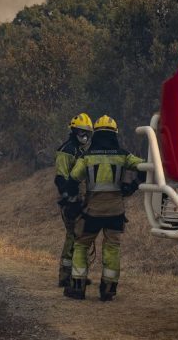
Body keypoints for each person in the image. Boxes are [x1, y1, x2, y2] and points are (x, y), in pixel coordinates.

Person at [63, 115, 143, 301]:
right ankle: (108, 290)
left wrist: (74, 202)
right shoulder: (124, 155)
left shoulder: (87, 157)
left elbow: (72, 179)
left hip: (92, 212)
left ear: (96, 134)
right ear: (115, 134)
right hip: (116, 212)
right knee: (112, 247)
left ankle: (77, 287)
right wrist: (132, 186)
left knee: (81, 245)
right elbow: (146, 166)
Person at [54, 113, 93, 287]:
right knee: (73, 236)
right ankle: (65, 276)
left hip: (81, 201)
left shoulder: (81, 150)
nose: (85, 136)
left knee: (81, 237)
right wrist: (69, 200)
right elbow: (61, 178)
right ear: (74, 131)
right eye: (81, 132)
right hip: (70, 202)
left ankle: (77, 274)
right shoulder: (67, 151)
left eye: (87, 133)